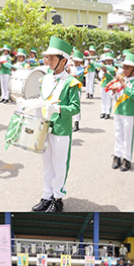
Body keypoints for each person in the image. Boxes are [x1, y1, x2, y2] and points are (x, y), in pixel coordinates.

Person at [31, 36, 81, 213]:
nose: (48, 61)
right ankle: (46, 196)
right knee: (47, 164)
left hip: (61, 129)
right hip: (45, 127)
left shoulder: (71, 82)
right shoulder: (45, 79)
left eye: (52, 58)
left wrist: (58, 109)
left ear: (63, 60)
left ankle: (58, 199)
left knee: (59, 164)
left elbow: (75, 107)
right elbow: (42, 100)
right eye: (48, 57)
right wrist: (30, 105)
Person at [106, 53, 134, 172]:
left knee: (128, 136)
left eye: (128, 68)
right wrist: (113, 92)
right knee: (118, 134)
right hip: (118, 110)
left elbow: (133, 95)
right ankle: (117, 156)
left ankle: (127, 159)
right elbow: (116, 97)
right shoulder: (120, 80)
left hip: (129, 112)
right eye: (124, 68)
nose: (125, 70)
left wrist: (122, 83)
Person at [98, 53, 116, 120]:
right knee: (103, 98)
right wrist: (102, 74)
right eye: (107, 60)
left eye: (110, 60)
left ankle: (108, 112)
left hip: (110, 85)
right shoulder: (103, 66)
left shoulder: (113, 68)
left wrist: (106, 73)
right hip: (103, 84)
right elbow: (100, 75)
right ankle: (103, 111)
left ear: (112, 60)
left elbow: (112, 77)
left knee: (108, 98)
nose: (108, 61)